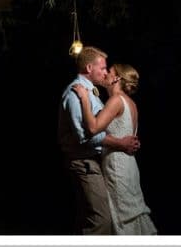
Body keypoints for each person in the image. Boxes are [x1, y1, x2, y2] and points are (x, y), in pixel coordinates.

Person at [58, 46, 140, 235]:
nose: (105, 72)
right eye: (102, 68)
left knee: (91, 218)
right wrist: (120, 143)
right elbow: (85, 136)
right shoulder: (75, 93)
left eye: (106, 69)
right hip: (84, 162)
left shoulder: (93, 93)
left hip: (97, 162)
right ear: (89, 68)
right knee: (102, 219)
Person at [72, 63, 157, 235]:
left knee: (121, 217)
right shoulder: (130, 103)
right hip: (129, 166)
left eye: (108, 72)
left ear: (117, 78)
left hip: (117, 167)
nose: (105, 74)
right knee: (130, 214)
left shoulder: (116, 100)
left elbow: (93, 129)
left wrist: (85, 99)